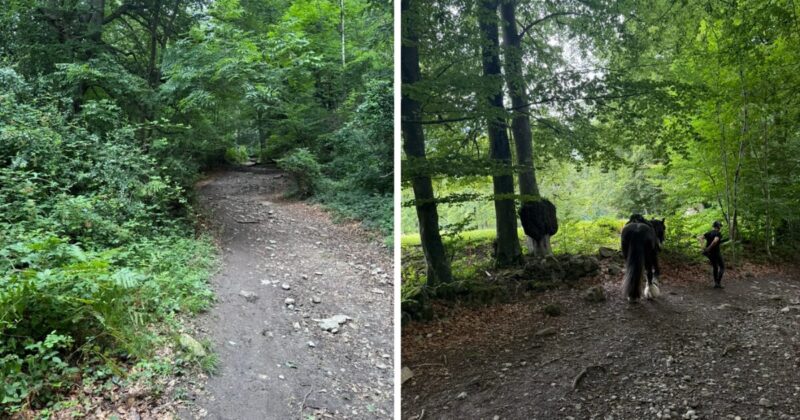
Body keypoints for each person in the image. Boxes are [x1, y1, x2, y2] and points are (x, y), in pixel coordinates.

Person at [701, 221, 726, 288]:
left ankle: (716, 283)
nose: (720, 227)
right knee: (722, 267)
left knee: (715, 267)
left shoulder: (708, 233)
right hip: (716, 253)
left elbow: (700, 238)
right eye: (720, 226)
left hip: (709, 254)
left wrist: (703, 247)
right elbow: (715, 241)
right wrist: (709, 248)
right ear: (718, 226)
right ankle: (718, 282)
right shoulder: (718, 233)